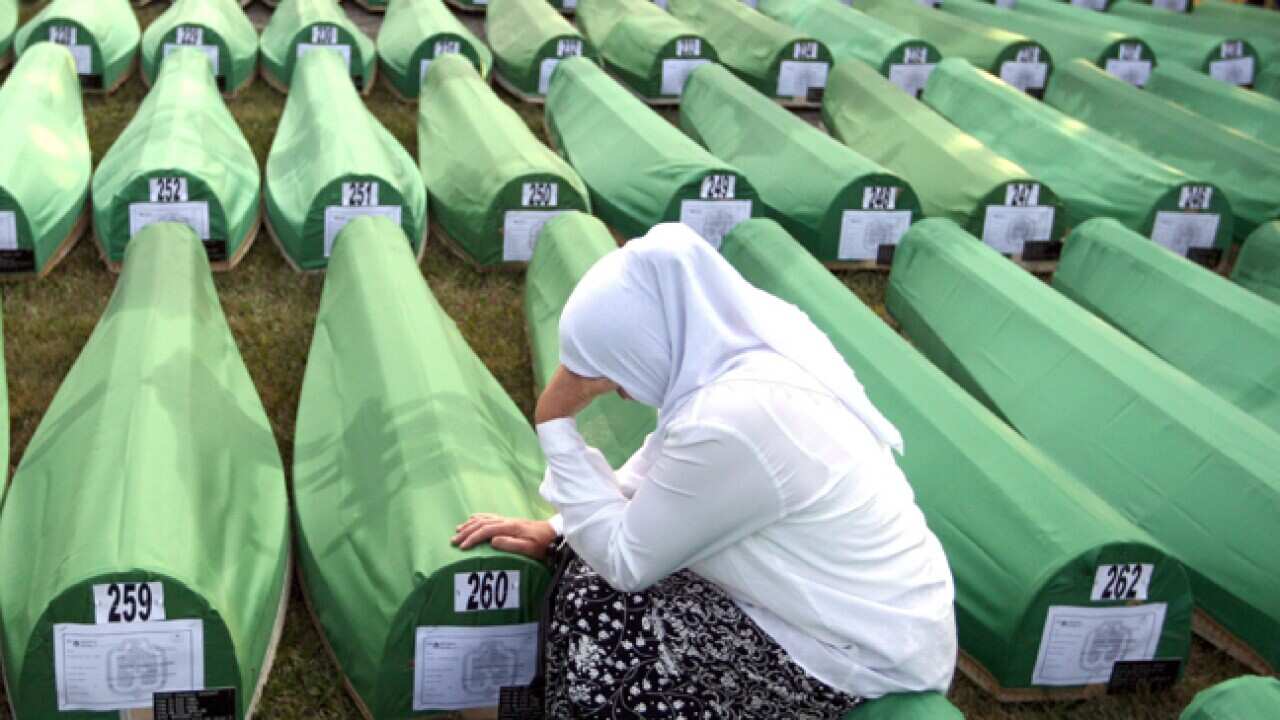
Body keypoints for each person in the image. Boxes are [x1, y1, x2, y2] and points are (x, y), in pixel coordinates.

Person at [453, 224, 957, 719]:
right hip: (843, 609)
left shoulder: (738, 419)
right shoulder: (729, 361)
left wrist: (553, 420)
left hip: (853, 649)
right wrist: (557, 529)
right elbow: (661, 469)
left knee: (607, 627)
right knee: (585, 572)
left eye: (608, 367)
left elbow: (627, 561)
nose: (611, 386)